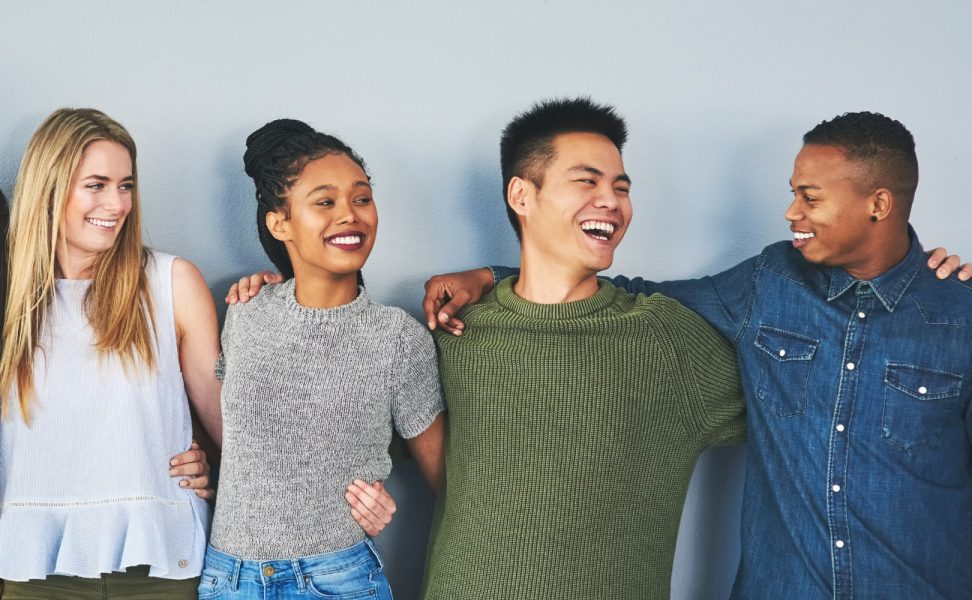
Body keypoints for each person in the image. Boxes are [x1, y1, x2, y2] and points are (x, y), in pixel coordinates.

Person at [424, 111, 972, 598]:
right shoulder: (768, 284)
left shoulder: (959, 312)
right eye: (587, 182)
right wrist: (490, 278)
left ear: (879, 204)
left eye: (810, 197)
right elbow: (623, 289)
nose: (790, 212)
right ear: (523, 195)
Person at [198, 119, 445, 600]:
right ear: (279, 222)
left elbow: (448, 482)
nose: (350, 215)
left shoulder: (398, 338)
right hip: (228, 579)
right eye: (325, 202)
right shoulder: (245, 314)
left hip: (335, 579)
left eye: (362, 198)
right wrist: (195, 457)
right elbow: (244, 439)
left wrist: (381, 493)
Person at [0, 108, 219, 598]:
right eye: (96, 185)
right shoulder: (8, 296)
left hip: (159, 564)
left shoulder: (170, 282)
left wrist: (213, 464)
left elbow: (230, 426)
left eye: (126, 185)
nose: (116, 203)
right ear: (50, 187)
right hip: (31, 565)